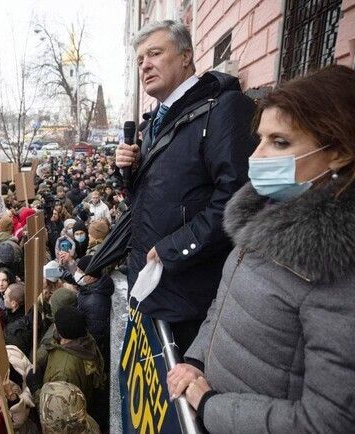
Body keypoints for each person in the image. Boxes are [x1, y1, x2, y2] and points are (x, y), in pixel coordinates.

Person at [168, 66, 355, 433]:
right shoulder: (268, 209)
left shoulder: (348, 267)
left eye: (280, 142)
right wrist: (197, 359)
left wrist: (211, 406)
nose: (256, 156)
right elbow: (226, 302)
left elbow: (331, 422)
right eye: (260, 139)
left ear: (339, 151)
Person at [115, 20, 257, 354]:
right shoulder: (155, 123)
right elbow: (151, 200)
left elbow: (238, 197)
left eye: (154, 53)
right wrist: (126, 172)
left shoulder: (222, 108)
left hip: (190, 296)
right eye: (139, 60)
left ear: (185, 57)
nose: (145, 65)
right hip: (151, 286)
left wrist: (174, 249)